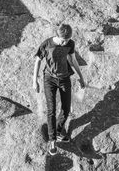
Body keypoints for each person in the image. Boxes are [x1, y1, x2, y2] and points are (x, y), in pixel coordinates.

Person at [33, 23, 85, 155]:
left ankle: (57, 131)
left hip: (64, 78)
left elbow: (73, 60)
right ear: (57, 36)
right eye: (63, 40)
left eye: (67, 40)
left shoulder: (70, 44)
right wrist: (35, 81)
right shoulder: (47, 44)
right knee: (52, 110)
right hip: (49, 79)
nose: (65, 43)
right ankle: (52, 141)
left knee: (66, 109)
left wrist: (81, 77)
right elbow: (38, 61)